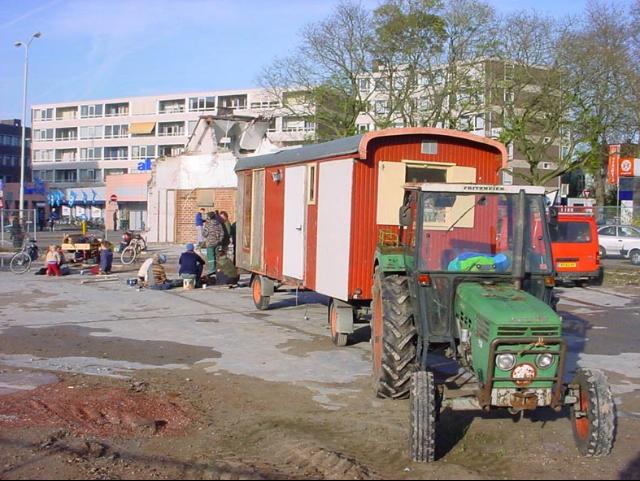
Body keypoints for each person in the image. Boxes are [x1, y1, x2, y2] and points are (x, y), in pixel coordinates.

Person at [203, 211, 224, 275]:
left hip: (210, 243)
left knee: (210, 257)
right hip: (217, 243)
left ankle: (212, 269)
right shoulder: (218, 224)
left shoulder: (208, 224)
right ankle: (217, 268)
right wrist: (220, 240)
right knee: (216, 256)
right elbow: (222, 233)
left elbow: (205, 234)